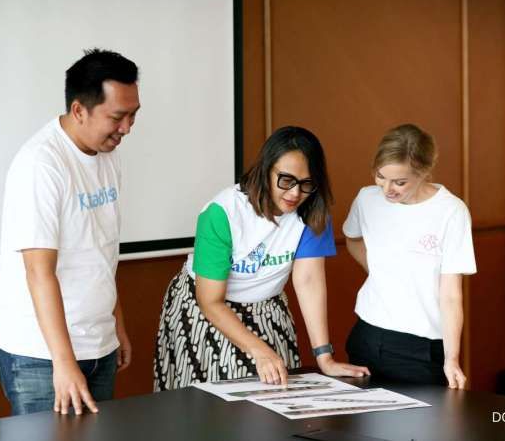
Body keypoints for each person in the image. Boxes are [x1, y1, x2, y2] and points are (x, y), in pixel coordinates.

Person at [154, 126, 369, 390]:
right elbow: (210, 301)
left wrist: (324, 357)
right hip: (207, 306)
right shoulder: (222, 212)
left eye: (306, 184)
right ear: (266, 169)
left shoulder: (312, 212)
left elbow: (309, 281)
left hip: (267, 305)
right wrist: (259, 350)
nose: (294, 194)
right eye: (286, 180)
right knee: (216, 397)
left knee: (278, 384)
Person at [0, 49, 141, 415]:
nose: (127, 128)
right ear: (79, 110)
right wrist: (64, 362)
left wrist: (114, 323)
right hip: (40, 356)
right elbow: (38, 272)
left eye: (133, 115)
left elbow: (101, 251)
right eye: (118, 117)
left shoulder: (108, 155)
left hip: (98, 343)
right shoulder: (41, 165)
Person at [343, 124, 476, 388]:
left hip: (419, 350)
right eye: (380, 177)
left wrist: (452, 358)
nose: (387, 189)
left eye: (400, 182)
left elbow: (451, 295)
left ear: (423, 173)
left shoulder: (451, 212)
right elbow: (353, 238)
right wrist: (380, 271)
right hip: (367, 336)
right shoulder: (367, 199)